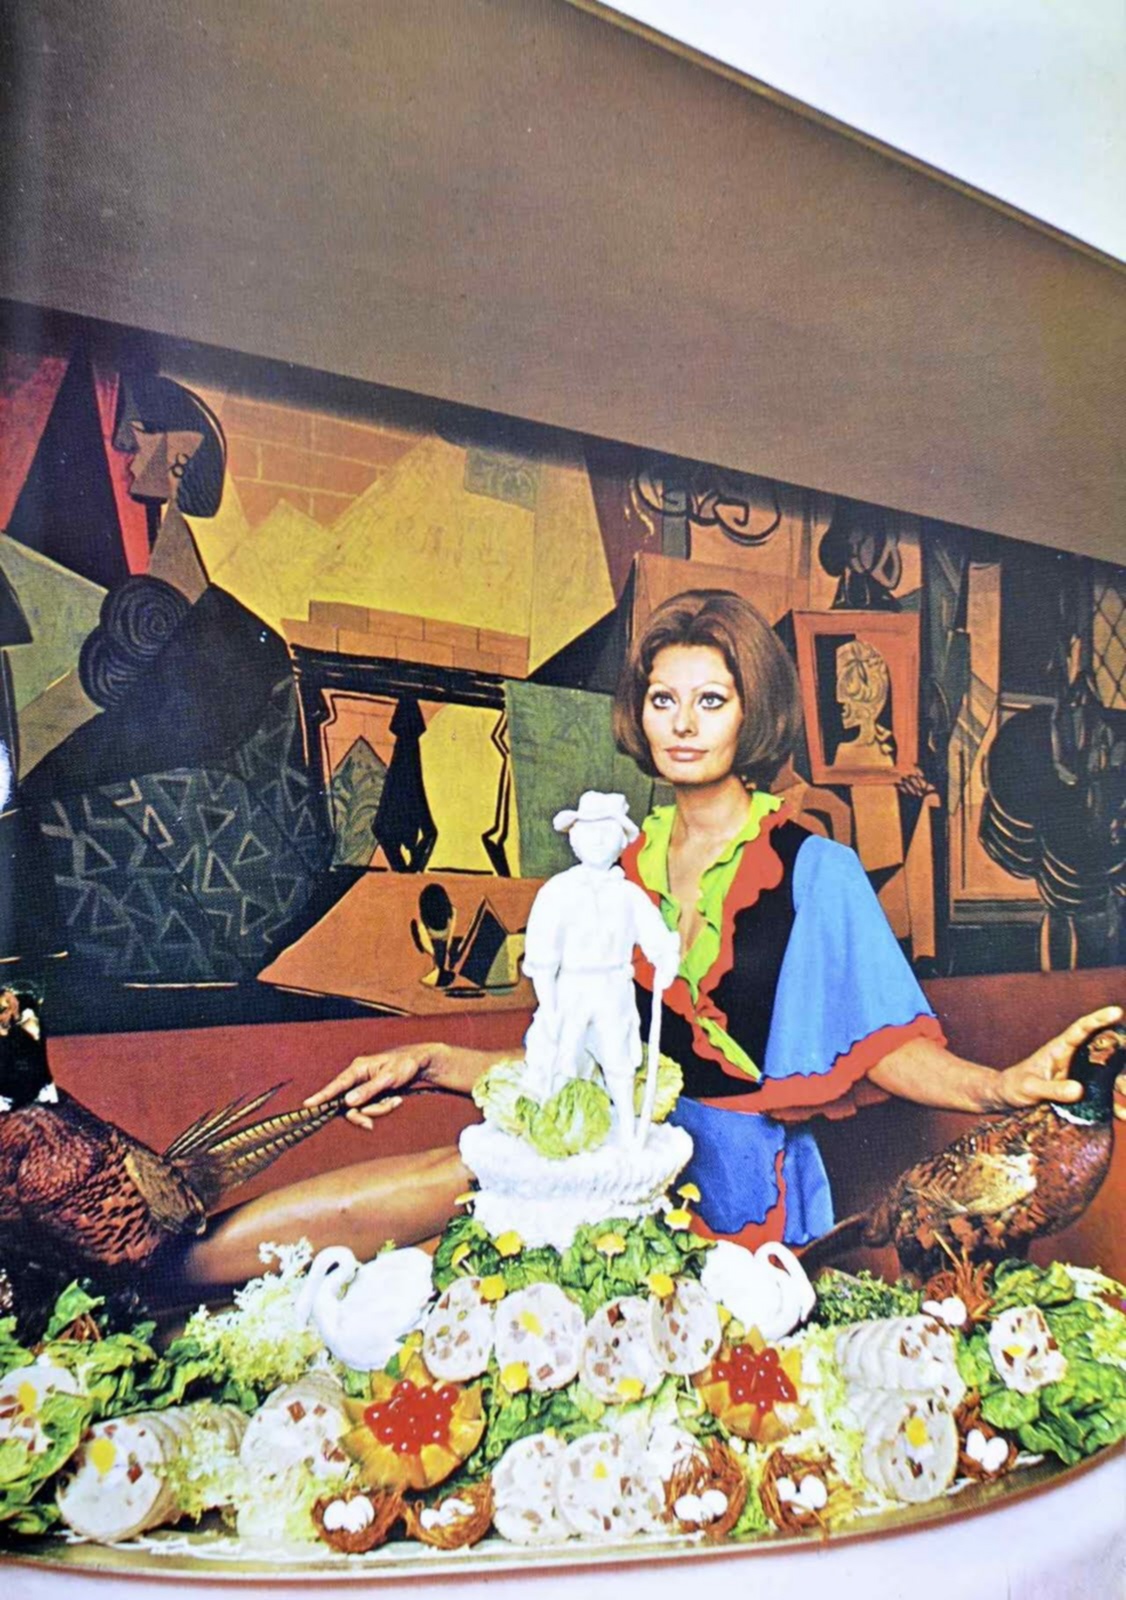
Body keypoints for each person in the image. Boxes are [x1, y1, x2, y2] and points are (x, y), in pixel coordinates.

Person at [179, 590, 1123, 1291]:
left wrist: (997, 1088)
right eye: (664, 699)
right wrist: (432, 1061)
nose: (683, 724)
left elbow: (887, 1047)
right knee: (458, 1180)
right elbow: (576, 1065)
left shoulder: (815, 868)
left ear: (752, 711)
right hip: (619, 1149)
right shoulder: (615, 871)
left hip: (739, 1197)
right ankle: (168, 1270)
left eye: (711, 700)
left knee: (461, 1249)